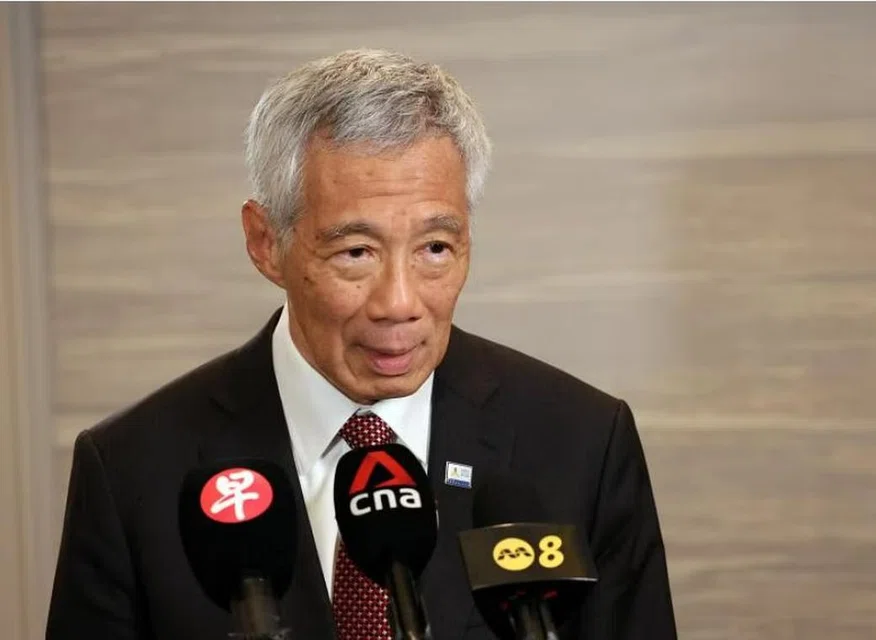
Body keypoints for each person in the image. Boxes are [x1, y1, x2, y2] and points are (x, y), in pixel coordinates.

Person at [46, 49, 677, 640]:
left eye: (435, 248)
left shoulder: (581, 443)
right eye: (355, 252)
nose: (399, 303)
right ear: (266, 243)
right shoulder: (132, 470)